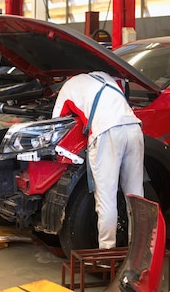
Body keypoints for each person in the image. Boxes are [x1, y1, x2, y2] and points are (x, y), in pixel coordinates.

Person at [52, 71, 144, 249]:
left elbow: (57, 124)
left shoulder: (67, 88)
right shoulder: (104, 76)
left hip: (106, 132)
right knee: (135, 195)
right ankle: (139, 250)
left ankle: (107, 253)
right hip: (134, 127)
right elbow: (123, 90)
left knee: (106, 198)